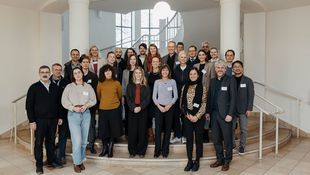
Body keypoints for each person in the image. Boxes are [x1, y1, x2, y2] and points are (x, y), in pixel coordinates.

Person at [26, 65, 63, 175]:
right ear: (39, 73)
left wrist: (60, 117)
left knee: (51, 141)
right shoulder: (34, 87)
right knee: (38, 143)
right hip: (39, 121)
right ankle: (39, 165)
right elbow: (29, 106)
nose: (45, 74)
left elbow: (59, 104)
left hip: (53, 120)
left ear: (50, 72)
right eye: (42, 72)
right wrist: (31, 121)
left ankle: (50, 161)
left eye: (47, 72)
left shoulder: (55, 88)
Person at [61, 67, 97, 173]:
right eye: (75, 73)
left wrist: (86, 106)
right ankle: (76, 163)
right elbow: (64, 101)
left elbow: (93, 99)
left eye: (79, 72)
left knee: (84, 140)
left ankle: (80, 161)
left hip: (85, 114)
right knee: (77, 140)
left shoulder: (88, 87)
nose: (77, 74)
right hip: (73, 114)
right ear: (73, 75)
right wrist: (73, 108)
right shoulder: (69, 87)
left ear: (82, 74)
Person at [207, 59, 237, 171]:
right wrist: (207, 112)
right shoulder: (213, 80)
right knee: (216, 139)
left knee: (227, 139)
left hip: (225, 115)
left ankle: (227, 160)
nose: (220, 69)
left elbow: (234, 99)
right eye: (218, 67)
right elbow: (210, 97)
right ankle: (220, 159)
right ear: (215, 69)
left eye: (222, 68)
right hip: (214, 114)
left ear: (225, 69)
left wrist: (230, 114)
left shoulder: (230, 80)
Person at [181, 67, 207, 172]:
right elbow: (182, 103)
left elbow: (204, 103)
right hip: (187, 117)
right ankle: (189, 161)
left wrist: (197, 116)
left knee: (198, 139)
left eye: (194, 74)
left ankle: (197, 161)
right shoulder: (184, 87)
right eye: (191, 74)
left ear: (198, 75)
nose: (192, 76)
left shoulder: (203, 87)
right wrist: (187, 115)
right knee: (189, 140)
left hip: (198, 118)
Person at [152, 64, 178, 158]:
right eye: (163, 70)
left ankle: (165, 151)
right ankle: (157, 151)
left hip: (169, 108)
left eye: (167, 70)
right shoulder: (157, 82)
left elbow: (175, 96)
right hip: (159, 108)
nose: (165, 72)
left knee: (167, 130)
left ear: (169, 72)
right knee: (158, 130)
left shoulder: (172, 81)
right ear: (161, 72)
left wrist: (169, 105)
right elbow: (154, 97)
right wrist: (159, 106)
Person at [97, 64, 122, 158]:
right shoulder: (100, 83)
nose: (108, 72)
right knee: (104, 131)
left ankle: (110, 148)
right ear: (103, 73)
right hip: (103, 109)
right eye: (106, 71)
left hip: (114, 109)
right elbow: (99, 96)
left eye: (109, 71)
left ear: (112, 72)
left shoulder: (117, 83)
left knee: (113, 130)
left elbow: (119, 95)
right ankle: (104, 148)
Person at [126, 67, 151, 158]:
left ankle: (141, 151)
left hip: (143, 110)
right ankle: (132, 151)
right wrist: (133, 108)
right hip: (132, 111)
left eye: (140, 73)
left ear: (142, 74)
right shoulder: (129, 85)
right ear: (134, 74)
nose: (138, 74)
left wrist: (140, 107)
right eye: (136, 73)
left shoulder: (146, 86)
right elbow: (128, 98)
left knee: (142, 131)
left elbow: (147, 99)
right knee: (132, 131)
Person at [232, 60, 254, 154]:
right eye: (235, 67)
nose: (237, 68)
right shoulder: (229, 79)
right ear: (233, 69)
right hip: (232, 110)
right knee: (231, 128)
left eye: (239, 66)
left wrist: (249, 108)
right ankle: (232, 145)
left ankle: (242, 146)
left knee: (243, 129)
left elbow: (251, 95)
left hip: (243, 109)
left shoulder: (248, 81)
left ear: (242, 68)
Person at [49, 63, 70, 165]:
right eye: (55, 69)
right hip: (51, 115)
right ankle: (51, 156)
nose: (58, 71)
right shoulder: (47, 83)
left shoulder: (66, 82)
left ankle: (61, 156)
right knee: (50, 137)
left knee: (63, 136)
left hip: (64, 114)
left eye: (59, 69)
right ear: (52, 70)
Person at [194, 49, 216, 143]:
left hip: (206, 92)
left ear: (205, 56)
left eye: (203, 54)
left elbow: (212, 80)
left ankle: (205, 132)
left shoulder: (210, 65)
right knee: (198, 111)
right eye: (199, 55)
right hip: (196, 92)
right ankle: (199, 132)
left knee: (206, 113)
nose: (201, 56)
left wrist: (210, 92)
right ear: (198, 56)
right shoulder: (195, 65)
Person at [81, 55, 99, 154]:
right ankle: (81, 145)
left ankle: (91, 145)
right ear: (81, 63)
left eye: (87, 62)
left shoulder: (93, 76)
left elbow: (95, 92)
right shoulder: (77, 74)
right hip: (79, 106)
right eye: (84, 62)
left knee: (91, 125)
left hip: (90, 106)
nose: (85, 64)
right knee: (80, 126)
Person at [171, 51, 190, 144]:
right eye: (181, 57)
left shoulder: (191, 69)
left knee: (185, 116)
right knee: (176, 116)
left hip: (187, 96)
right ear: (178, 59)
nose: (183, 59)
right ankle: (178, 135)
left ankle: (184, 136)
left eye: (185, 57)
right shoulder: (175, 69)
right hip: (177, 96)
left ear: (187, 58)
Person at [122, 54, 139, 136]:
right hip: (128, 97)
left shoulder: (139, 70)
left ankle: (136, 132)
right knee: (128, 114)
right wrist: (123, 96)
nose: (133, 60)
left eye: (134, 59)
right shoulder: (125, 71)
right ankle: (128, 133)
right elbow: (123, 85)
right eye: (131, 59)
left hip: (138, 96)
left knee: (136, 115)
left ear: (136, 60)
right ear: (129, 60)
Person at [147, 56, 161, 142]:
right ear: (151, 63)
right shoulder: (148, 74)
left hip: (160, 99)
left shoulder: (162, 73)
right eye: (153, 61)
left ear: (159, 63)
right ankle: (151, 135)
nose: (155, 63)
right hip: (150, 99)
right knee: (149, 117)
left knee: (158, 118)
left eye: (157, 61)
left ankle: (158, 135)